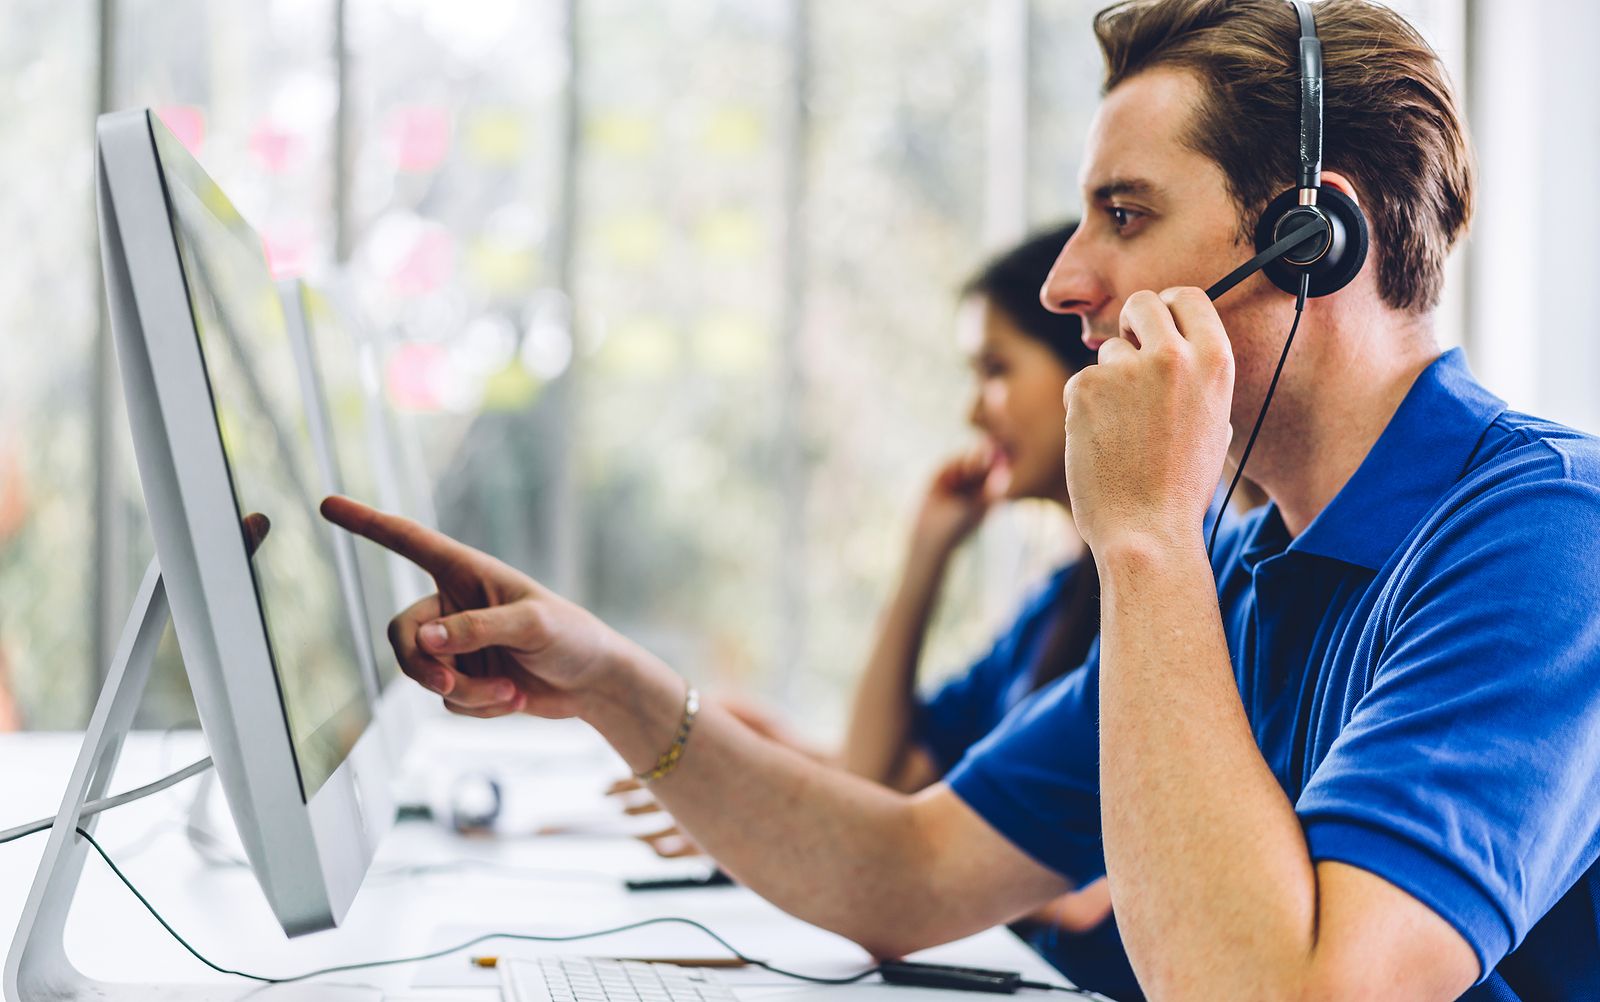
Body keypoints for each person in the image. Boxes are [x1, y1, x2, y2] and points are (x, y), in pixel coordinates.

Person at [323, 2, 1600, 998]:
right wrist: (610, 678)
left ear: (1310, 239)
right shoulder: (1243, 561)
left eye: (1123, 213)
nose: (1064, 280)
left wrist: (1145, 538)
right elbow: (902, 869)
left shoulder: (1544, 540)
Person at [613, 225, 1133, 988]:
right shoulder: (1056, 606)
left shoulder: (1167, 597)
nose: (975, 413)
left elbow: (1087, 895)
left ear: (1082, 363)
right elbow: (878, 775)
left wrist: (908, 856)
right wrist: (925, 558)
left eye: (995, 370)